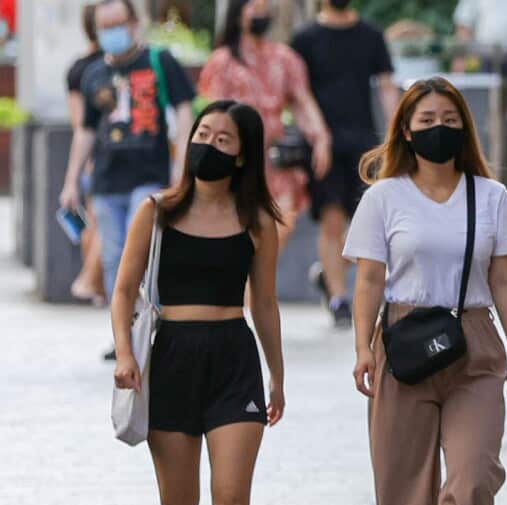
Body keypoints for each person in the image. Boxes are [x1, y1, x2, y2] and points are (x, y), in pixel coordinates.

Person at [345, 78, 507, 505]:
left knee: (473, 477)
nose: (438, 129)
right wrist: (362, 348)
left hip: (473, 343)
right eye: (426, 120)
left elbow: (505, 278)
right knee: (403, 485)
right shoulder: (383, 198)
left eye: (449, 119)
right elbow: (368, 279)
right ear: (405, 129)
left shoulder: (491, 196)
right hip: (403, 343)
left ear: (465, 128)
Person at [110, 101, 285, 505]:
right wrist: (125, 355)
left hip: (234, 356)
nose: (208, 145)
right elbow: (124, 290)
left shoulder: (257, 221)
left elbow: (266, 303)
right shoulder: (157, 211)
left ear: (244, 155)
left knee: (231, 499)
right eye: (203, 133)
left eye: (223, 139)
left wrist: (277, 376)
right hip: (171, 360)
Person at [61, 0, 196, 360]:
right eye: (104, 27)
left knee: (144, 255)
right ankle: (123, 336)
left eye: (117, 23)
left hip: (151, 176)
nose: (112, 32)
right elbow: (86, 131)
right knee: (112, 258)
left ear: (134, 23)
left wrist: (182, 164)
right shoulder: (93, 74)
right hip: (106, 182)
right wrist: (71, 180)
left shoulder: (159, 61)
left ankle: (155, 327)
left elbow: (184, 111)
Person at [291, 0, 399, 328]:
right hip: (322, 144)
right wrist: (314, 134)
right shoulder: (305, 39)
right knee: (332, 220)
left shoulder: (371, 35)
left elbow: (387, 87)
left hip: (365, 143)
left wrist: (398, 134)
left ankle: (329, 272)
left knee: (370, 224)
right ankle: (339, 298)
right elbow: (298, 95)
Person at [199, 0, 332, 251]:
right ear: (238, 15)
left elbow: (303, 102)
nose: (261, 15)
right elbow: (214, 114)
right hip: (237, 160)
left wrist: (321, 137)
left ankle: (260, 272)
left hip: (274, 159)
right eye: (254, 9)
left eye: (264, 10)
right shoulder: (223, 61)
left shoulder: (284, 58)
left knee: (283, 220)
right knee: (239, 228)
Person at [65, 3, 106, 306]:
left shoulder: (78, 68)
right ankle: (92, 280)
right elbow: (82, 123)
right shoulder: (96, 68)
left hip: (91, 155)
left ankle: (95, 284)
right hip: (99, 155)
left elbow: (76, 122)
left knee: (93, 220)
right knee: (99, 220)